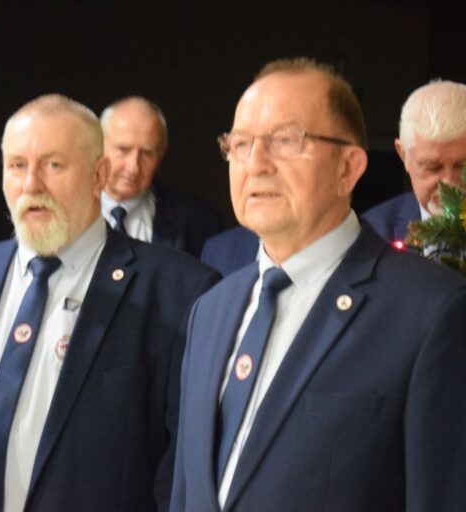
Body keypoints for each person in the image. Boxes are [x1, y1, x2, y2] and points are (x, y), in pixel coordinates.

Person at [171, 58, 466, 511]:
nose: (256, 164)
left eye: (286, 140)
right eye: (241, 143)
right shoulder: (210, 310)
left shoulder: (429, 312)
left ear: (348, 167)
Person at [0, 94, 219, 511]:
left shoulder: (179, 292)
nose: (31, 185)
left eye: (53, 165)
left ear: (99, 174)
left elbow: (180, 473)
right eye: (17, 165)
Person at [100, 96, 222, 257]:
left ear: (160, 157)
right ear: (97, 146)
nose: (134, 166)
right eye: (123, 150)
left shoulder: (196, 222)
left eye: (146, 153)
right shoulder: (68, 212)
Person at [363, 80, 466, 244]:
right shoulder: (373, 233)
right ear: (403, 154)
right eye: (433, 168)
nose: (449, 182)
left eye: (462, 166)